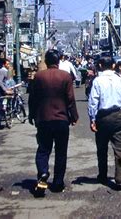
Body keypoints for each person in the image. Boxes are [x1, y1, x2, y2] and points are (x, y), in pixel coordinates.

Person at [28, 50, 79, 193]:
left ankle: (43, 173)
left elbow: (33, 98)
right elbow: (70, 99)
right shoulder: (65, 76)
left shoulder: (38, 76)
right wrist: (74, 116)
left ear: (46, 61)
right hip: (62, 119)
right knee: (61, 152)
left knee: (43, 150)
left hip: (43, 118)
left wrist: (31, 115)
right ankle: (57, 183)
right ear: (58, 61)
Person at [88, 56, 121, 191]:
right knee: (120, 150)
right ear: (113, 66)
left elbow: (93, 102)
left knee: (101, 149)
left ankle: (102, 175)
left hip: (102, 118)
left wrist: (92, 119)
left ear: (101, 65)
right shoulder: (120, 80)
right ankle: (120, 179)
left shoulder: (97, 81)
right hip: (118, 116)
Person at [0, 59, 12, 129]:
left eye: (9, 64)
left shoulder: (5, 71)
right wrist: (5, 90)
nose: (8, 65)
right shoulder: (2, 71)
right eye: (7, 64)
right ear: (4, 64)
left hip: (1, 90)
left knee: (1, 106)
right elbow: (0, 82)